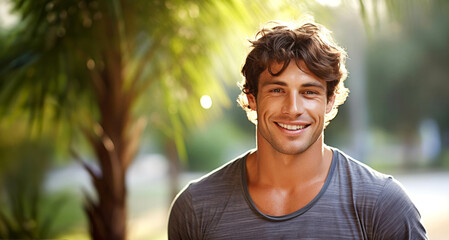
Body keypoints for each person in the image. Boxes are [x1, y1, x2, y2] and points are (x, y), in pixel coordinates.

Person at [168, 18, 427, 239]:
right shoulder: (196, 208)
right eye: (277, 90)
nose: (293, 108)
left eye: (309, 92)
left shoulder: (383, 205)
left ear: (329, 101)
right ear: (251, 98)